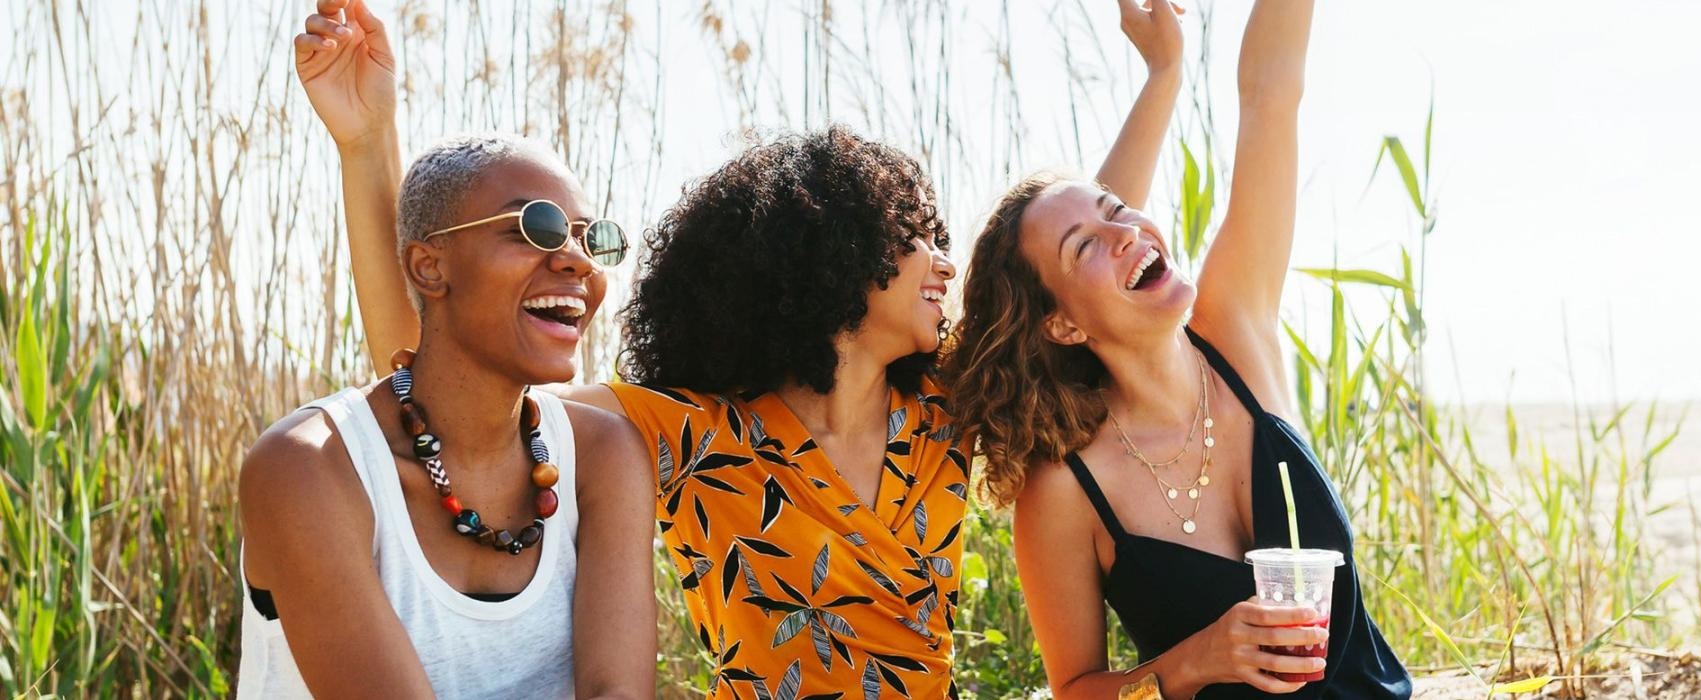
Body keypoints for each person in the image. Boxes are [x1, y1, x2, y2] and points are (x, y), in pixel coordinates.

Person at [298, 0, 1188, 696]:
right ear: (838, 258)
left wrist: (1161, 76)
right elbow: (434, 365)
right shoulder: (688, 437)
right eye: (917, 234)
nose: (946, 265)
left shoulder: (946, 411)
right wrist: (367, 146)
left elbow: (1073, 260)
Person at [943, 0, 1413, 697]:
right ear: (1062, 326)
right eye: (1086, 245)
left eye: (1117, 210)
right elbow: (1075, 689)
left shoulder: (1237, 330)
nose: (1127, 231)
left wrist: (1167, 68)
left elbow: (1270, 94)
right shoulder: (1066, 489)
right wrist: (1195, 661)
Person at [238, 7, 656, 698]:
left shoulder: (603, 457)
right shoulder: (306, 472)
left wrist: (372, 140)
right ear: (430, 269)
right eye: (539, 227)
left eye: (591, 236)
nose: (577, 260)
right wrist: (368, 143)